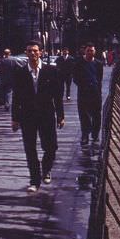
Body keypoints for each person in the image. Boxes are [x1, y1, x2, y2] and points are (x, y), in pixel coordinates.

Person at [11, 40, 65, 193]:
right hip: (27, 116)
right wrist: (14, 118)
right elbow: (16, 97)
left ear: (41, 52)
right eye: (29, 51)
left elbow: (57, 96)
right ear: (26, 53)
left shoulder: (51, 71)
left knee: (51, 146)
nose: (32, 53)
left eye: (35, 50)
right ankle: (34, 180)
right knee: (30, 148)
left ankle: (46, 169)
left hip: (47, 114)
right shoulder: (20, 72)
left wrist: (61, 115)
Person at [72, 42, 104, 146]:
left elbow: (99, 78)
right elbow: (75, 78)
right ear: (84, 51)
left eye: (92, 50)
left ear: (95, 51)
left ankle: (95, 135)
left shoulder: (98, 64)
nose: (90, 52)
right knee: (84, 116)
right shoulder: (79, 63)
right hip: (83, 93)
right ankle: (85, 135)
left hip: (95, 93)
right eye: (88, 50)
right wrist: (84, 84)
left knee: (96, 115)